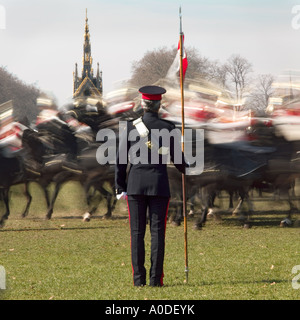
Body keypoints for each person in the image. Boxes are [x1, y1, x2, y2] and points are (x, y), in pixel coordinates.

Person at [115, 85, 187, 287]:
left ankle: (138, 280)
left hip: (135, 186)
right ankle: (156, 279)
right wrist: (185, 167)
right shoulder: (168, 128)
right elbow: (178, 161)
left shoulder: (130, 127)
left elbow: (121, 160)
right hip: (159, 185)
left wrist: (120, 186)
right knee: (158, 234)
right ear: (159, 104)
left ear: (143, 104)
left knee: (136, 234)